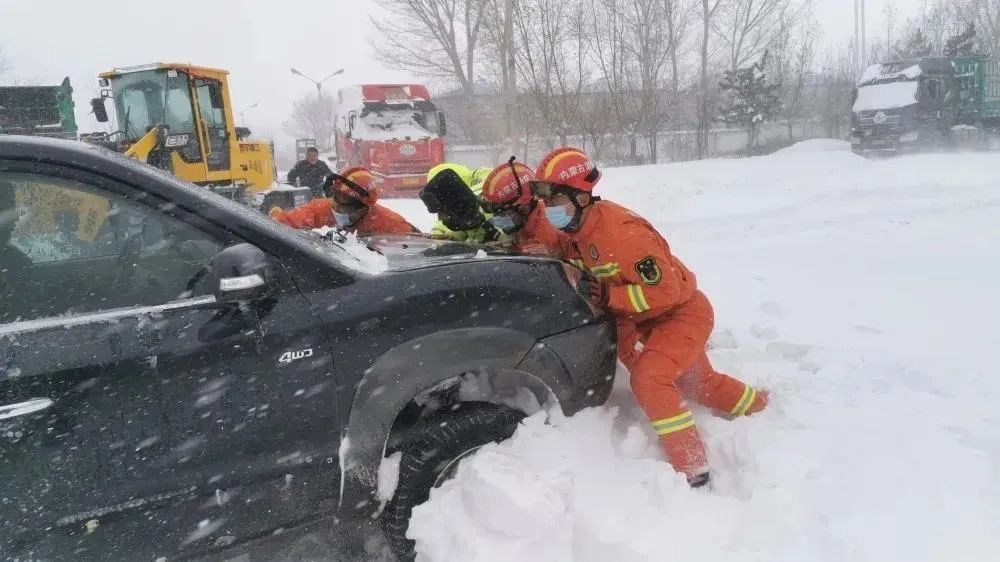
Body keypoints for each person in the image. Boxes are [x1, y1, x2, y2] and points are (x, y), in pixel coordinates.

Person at [530, 147, 769, 488]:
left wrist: (610, 296)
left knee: (649, 379)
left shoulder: (622, 235)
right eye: (546, 203)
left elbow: (667, 291)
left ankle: (694, 469)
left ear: (581, 197)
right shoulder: (575, 233)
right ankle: (758, 405)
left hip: (681, 313)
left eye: (556, 201)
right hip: (642, 318)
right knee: (697, 384)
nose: (549, 209)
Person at [270, 167, 417, 236]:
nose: (337, 211)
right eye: (335, 203)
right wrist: (276, 218)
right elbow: (280, 224)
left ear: (363, 209)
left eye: (343, 209)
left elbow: (416, 244)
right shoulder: (319, 210)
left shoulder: (388, 223)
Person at [478, 157, 564, 256]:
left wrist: (554, 256)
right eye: (496, 214)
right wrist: (509, 249)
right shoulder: (523, 226)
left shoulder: (555, 228)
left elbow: (580, 265)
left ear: (524, 208)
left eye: (503, 214)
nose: (499, 220)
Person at [419, 163, 506, 244]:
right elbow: (458, 222)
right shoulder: (461, 209)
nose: (440, 217)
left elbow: (467, 212)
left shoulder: (486, 181)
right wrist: (440, 235)